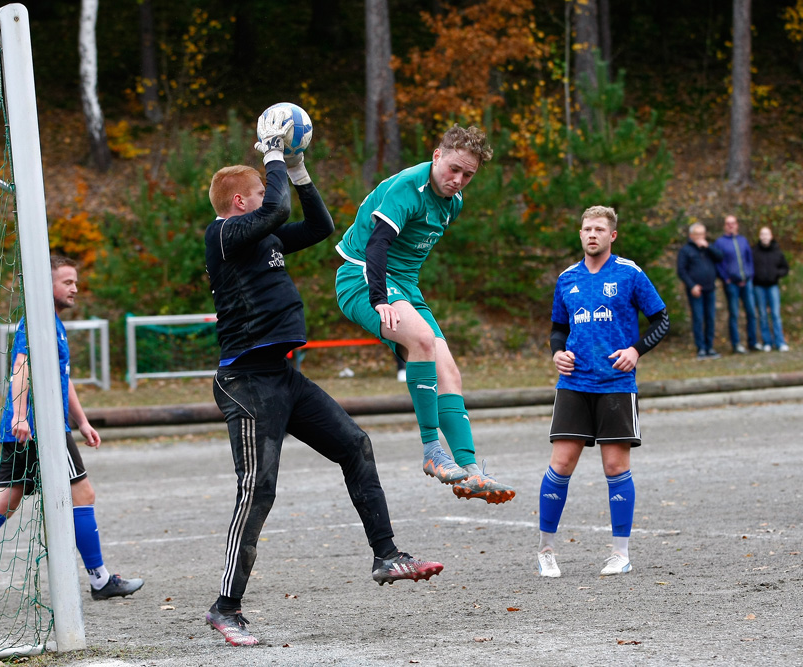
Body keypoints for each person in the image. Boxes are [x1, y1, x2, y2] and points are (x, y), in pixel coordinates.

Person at [202, 110, 443, 647]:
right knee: (257, 490)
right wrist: (271, 152)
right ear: (241, 203)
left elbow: (319, 226)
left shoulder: (260, 237)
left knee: (355, 445)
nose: (268, 196)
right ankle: (226, 608)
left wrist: (300, 166)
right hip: (245, 384)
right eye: (259, 191)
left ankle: (386, 556)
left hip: (283, 378)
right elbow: (278, 205)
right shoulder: (223, 234)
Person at [0, 256, 143, 608]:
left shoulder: (53, 325)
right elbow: (21, 368)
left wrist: (82, 422)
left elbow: (62, 381)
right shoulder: (38, 323)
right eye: (67, 282)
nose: (75, 288)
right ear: (45, 286)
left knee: (6, 500)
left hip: (28, 429)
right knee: (83, 495)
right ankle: (100, 580)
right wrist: (22, 415)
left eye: (75, 282)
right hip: (41, 430)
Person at [334, 125, 514, 504]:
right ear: (436, 156)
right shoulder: (407, 188)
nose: (458, 180)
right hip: (362, 275)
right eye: (453, 169)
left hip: (404, 286)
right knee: (420, 341)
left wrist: (402, 296)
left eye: (468, 175)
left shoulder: (454, 202)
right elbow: (378, 244)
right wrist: (380, 297)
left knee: (449, 370)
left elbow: (407, 260)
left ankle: (471, 470)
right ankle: (433, 450)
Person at [536, 206, 669, 578]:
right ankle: (546, 550)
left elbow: (662, 319)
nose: (591, 234)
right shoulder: (567, 278)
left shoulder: (630, 274)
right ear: (580, 234)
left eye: (599, 229)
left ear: (612, 236)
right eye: (586, 229)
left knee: (615, 467)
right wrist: (557, 353)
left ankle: (620, 553)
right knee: (560, 464)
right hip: (574, 384)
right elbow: (558, 328)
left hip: (616, 385)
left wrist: (635, 350)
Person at [676, 223, 723, 359]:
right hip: (696, 290)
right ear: (691, 236)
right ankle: (701, 348)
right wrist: (692, 286)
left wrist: (708, 247)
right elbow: (681, 271)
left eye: (702, 234)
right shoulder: (685, 250)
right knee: (698, 318)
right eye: (697, 234)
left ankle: (710, 347)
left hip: (710, 288)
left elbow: (720, 257)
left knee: (711, 318)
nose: (700, 237)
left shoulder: (708, 248)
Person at [714, 215, 759, 353]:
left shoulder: (743, 240)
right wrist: (725, 278)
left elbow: (749, 259)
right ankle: (736, 344)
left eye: (733, 223)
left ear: (737, 224)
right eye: (728, 223)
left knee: (751, 312)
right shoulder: (720, 242)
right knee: (734, 314)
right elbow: (718, 263)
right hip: (731, 283)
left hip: (747, 282)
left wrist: (750, 275)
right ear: (724, 226)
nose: (731, 226)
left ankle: (753, 342)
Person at [752, 226, 791, 352]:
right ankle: (767, 342)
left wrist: (776, 274)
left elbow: (785, 268)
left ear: (771, 236)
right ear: (759, 236)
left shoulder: (777, 251)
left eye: (767, 234)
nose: (764, 236)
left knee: (775, 314)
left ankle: (780, 342)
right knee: (763, 315)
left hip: (773, 286)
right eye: (762, 234)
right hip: (759, 287)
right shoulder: (754, 251)